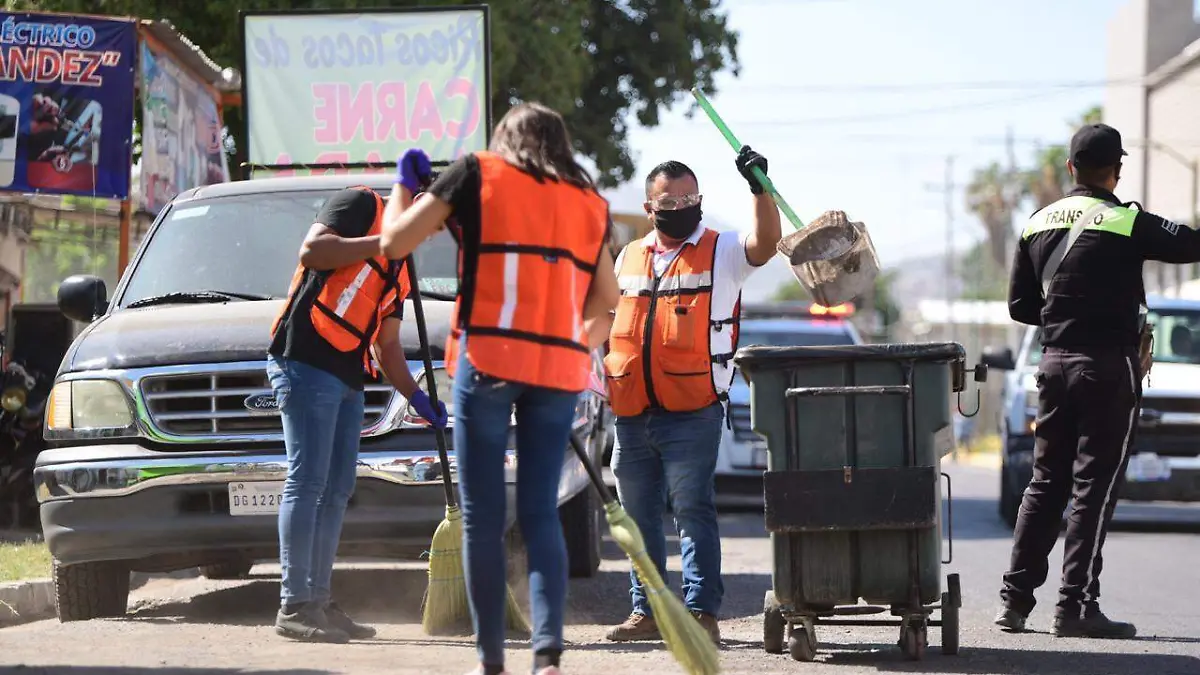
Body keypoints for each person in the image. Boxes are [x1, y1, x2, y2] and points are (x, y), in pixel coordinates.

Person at [379, 103, 619, 675]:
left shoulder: (476, 172)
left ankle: (491, 661)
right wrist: (574, 345)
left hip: (487, 358)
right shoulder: (589, 203)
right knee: (540, 514)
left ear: (503, 138)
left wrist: (404, 186)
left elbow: (393, 244)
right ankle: (548, 656)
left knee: (483, 519)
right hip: (557, 371)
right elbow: (607, 301)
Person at [998, 123, 1200, 638]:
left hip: (1053, 365)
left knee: (1045, 483)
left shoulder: (1036, 223)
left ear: (1071, 168)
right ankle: (1076, 607)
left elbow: (1021, 306)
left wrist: (1065, 316)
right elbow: (1191, 245)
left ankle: (1014, 603)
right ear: (1117, 170)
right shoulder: (1127, 221)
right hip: (1108, 368)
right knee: (1095, 487)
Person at [603, 149, 782, 644]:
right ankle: (647, 611)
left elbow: (767, 243)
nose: (682, 208)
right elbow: (610, 321)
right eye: (670, 201)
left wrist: (760, 188)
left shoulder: (723, 251)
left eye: (690, 199)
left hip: (693, 411)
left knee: (691, 511)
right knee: (637, 519)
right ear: (649, 208)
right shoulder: (628, 256)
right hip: (632, 411)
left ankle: (701, 611)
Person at [267, 164, 449, 644]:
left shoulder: (401, 270)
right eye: (434, 222)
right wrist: (384, 242)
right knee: (307, 482)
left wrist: (417, 397)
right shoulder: (361, 203)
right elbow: (313, 251)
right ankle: (294, 605)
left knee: (337, 489)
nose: (433, 234)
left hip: (349, 375)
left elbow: (387, 346)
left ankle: (318, 600)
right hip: (305, 360)